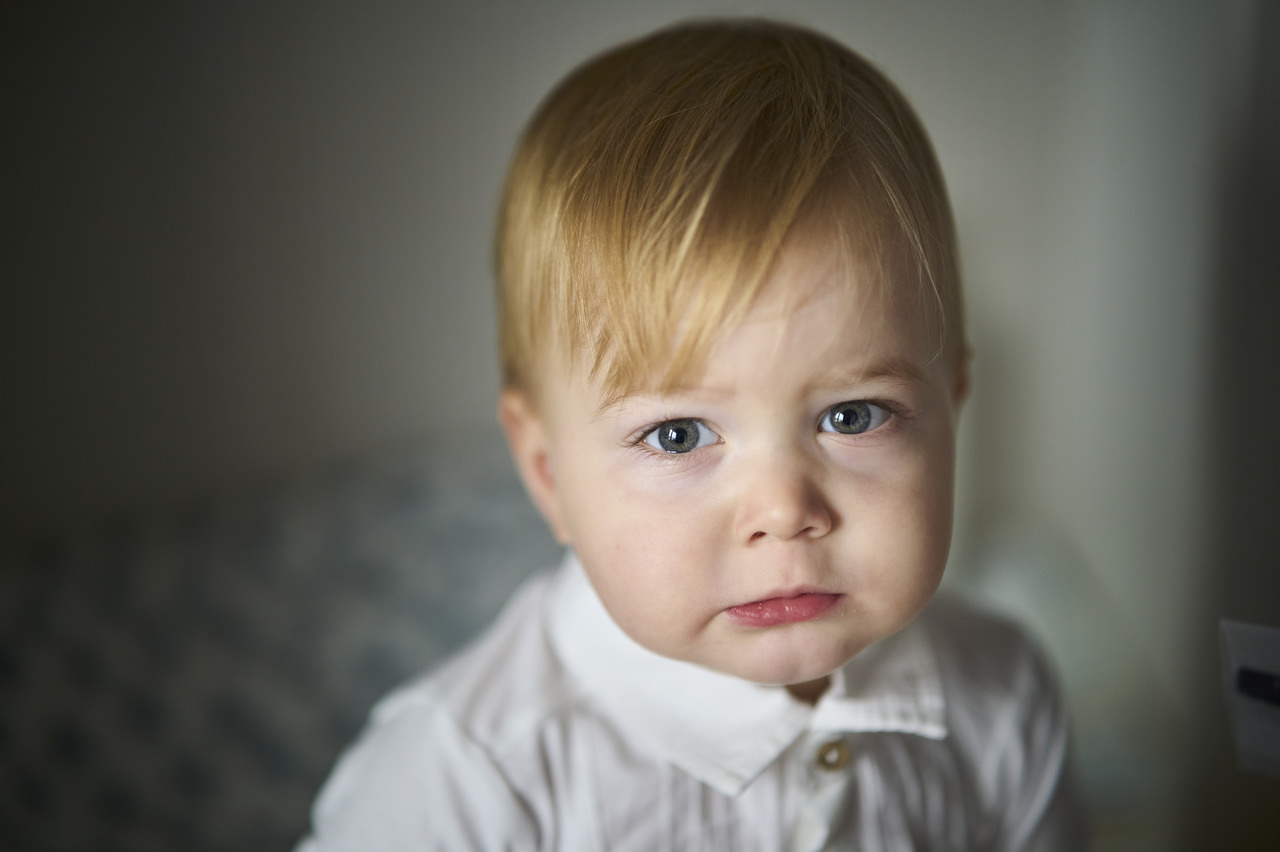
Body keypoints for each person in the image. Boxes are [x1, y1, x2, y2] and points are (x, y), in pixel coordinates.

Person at [298, 18, 1084, 850]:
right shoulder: (457, 785)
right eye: (677, 435)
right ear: (547, 471)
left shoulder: (1003, 697)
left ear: (953, 406)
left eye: (852, 416)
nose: (783, 511)